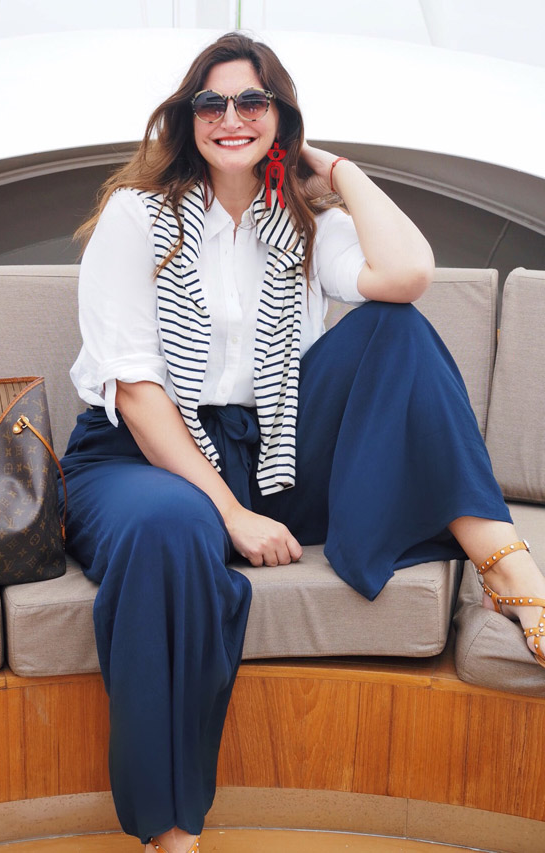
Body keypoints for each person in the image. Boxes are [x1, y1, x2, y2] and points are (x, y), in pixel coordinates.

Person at [60, 31, 545, 853]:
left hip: (273, 446)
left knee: (397, 328)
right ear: (187, 118)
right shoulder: (136, 217)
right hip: (141, 454)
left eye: (252, 101)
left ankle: (509, 569)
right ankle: (171, 831)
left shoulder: (305, 222)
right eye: (211, 102)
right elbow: (138, 394)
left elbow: (407, 275)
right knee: (169, 528)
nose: (231, 117)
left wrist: (339, 172)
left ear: (280, 117)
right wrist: (232, 515)